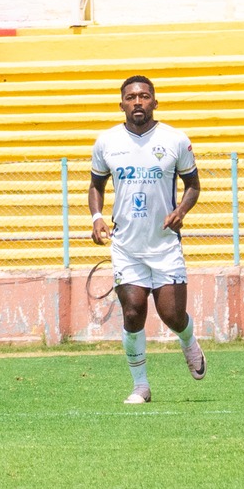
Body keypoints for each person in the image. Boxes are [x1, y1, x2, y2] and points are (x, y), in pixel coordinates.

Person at [89, 74, 207, 403]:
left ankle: (189, 341)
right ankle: (140, 385)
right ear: (122, 104)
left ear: (155, 102)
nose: (137, 102)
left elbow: (193, 185)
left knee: (172, 315)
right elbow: (96, 186)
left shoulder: (175, 140)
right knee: (132, 312)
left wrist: (181, 211)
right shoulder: (107, 142)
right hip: (127, 247)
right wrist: (97, 217)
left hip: (165, 245)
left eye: (144, 96)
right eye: (131, 97)